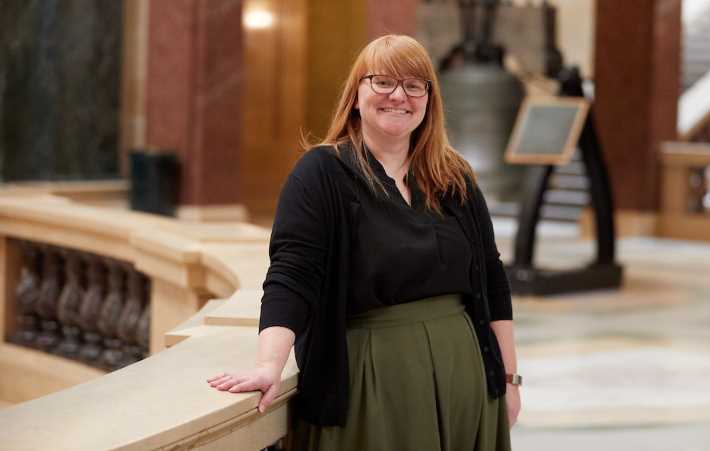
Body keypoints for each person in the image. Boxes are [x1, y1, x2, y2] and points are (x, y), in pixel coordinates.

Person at [207, 34, 521, 450]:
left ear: (429, 99)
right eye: (383, 82)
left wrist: (509, 379)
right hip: (371, 381)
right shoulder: (320, 174)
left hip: (465, 374)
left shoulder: (454, 176)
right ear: (356, 95)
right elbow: (292, 276)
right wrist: (269, 364)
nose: (399, 96)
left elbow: (492, 281)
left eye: (414, 85)